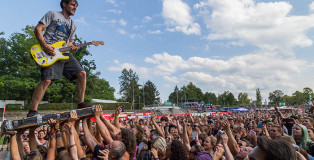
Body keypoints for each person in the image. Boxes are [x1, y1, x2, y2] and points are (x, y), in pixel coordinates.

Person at [27, 0, 90, 117]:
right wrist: (45, 46)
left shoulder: (73, 24)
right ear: (64, 4)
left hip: (63, 52)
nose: (75, 7)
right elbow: (38, 29)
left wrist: (73, 47)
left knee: (82, 73)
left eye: (76, 6)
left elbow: (69, 43)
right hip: (48, 51)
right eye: (72, 4)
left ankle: (80, 103)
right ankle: (32, 111)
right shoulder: (52, 14)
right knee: (46, 80)